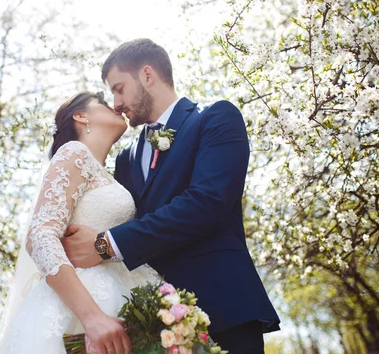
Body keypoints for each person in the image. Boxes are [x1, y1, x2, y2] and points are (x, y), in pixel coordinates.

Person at [62, 38, 281, 354]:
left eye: (119, 88)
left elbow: (206, 203)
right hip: (152, 327)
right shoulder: (124, 160)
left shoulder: (215, 118)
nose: (116, 103)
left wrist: (104, 244)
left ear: (147, 75)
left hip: (223, 310)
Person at [0, 92, 158, 354]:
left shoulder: (110, 174)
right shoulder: (74, 153)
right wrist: (92, 317)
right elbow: (41, 236)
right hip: (82, 310)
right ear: (81, 116)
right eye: (104, 103)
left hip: (123, 295)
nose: (116, 105)